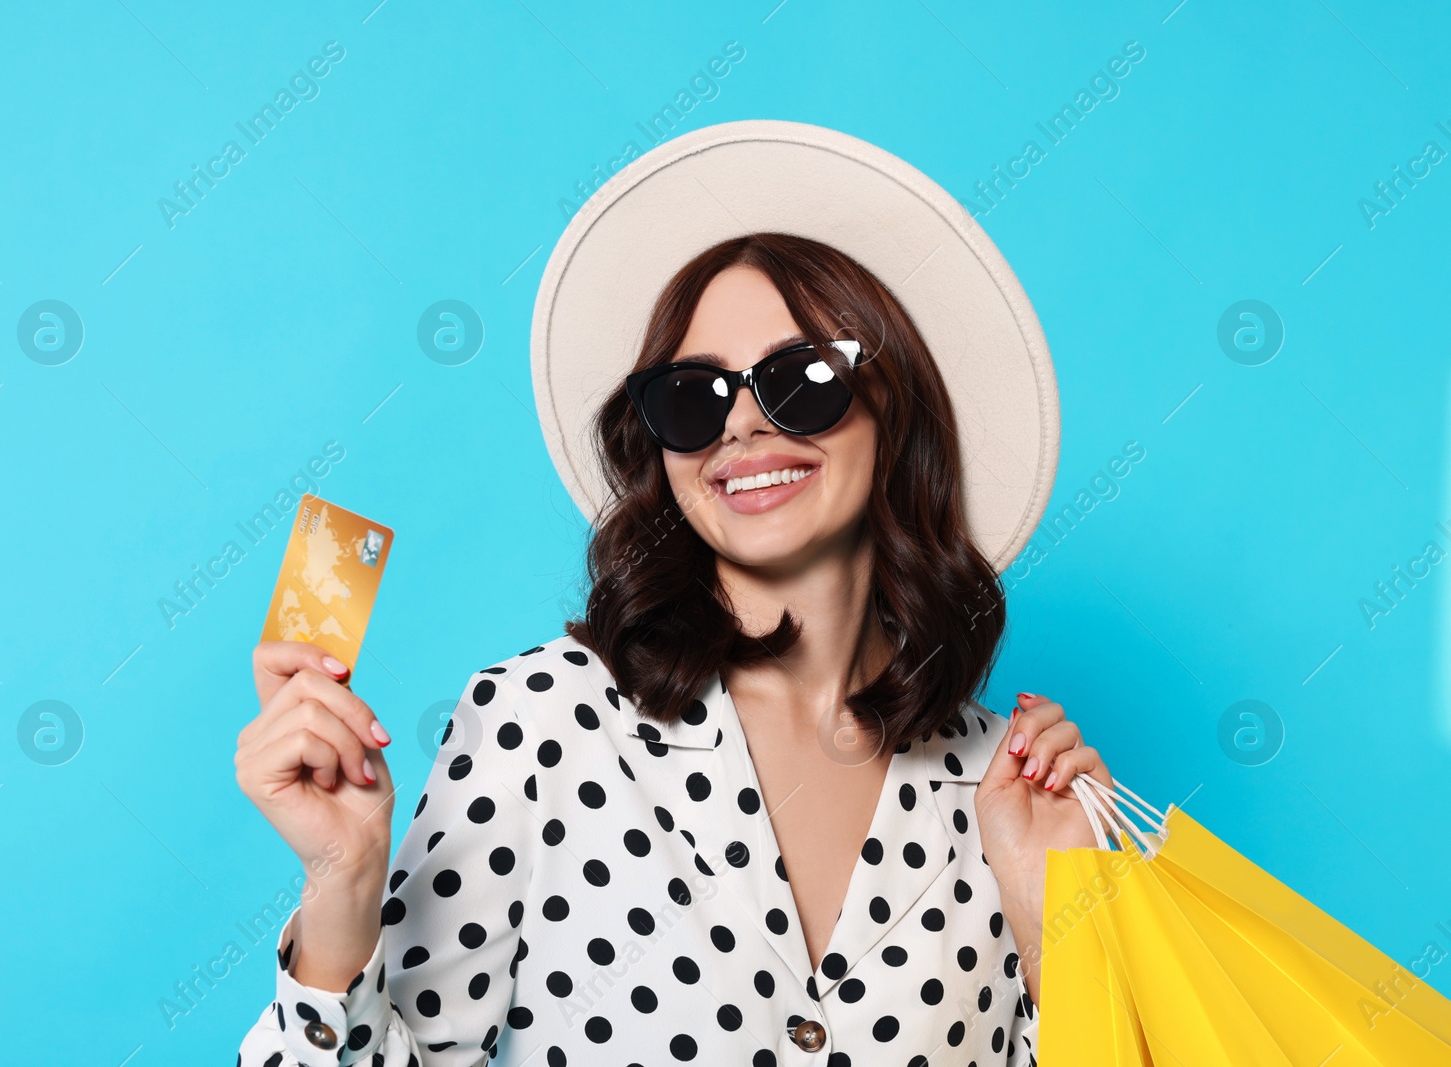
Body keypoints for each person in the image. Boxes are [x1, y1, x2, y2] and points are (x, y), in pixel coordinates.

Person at [236, 122, 1112, 1065]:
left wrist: (1054, 927)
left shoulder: (1006, 792)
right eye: (693, 396)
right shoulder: (543, 722)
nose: (740, 422)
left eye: (799, 379)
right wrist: (344, 878)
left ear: (892, 409)